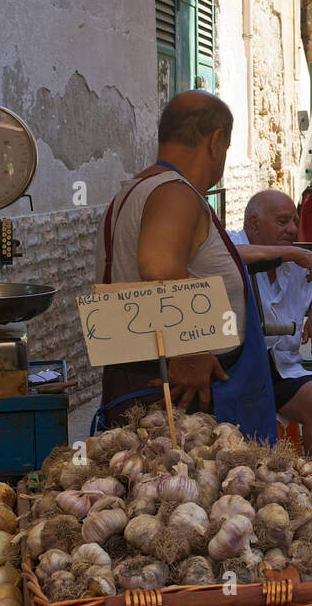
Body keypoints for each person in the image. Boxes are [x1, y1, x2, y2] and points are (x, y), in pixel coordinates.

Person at [93, 91, 277, 439]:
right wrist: (191, 351)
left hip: (147, 376)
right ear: (216, 140)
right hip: (182, 395)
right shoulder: (175, 193)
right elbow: (159, 268)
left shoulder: (139, 190)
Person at [231, 191, 312, 456]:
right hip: (236, 369)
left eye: (294, 221)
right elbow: (230, 256)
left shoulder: (293, 260)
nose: (292, 229)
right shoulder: (232, 242)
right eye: (283, 222)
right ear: (254, 223)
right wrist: (289, 252)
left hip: (280, 369)